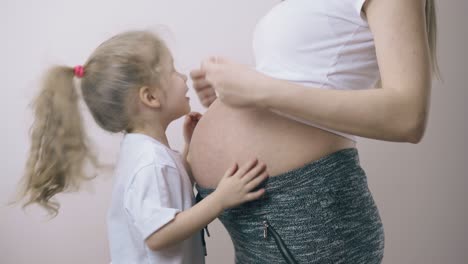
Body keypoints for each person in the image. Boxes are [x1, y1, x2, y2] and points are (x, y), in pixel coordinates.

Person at [188, 0, 438, 263]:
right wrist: (234, 89)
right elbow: (305, 80)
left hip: (304, 207)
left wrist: (258, 90)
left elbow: (408, 118)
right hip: (257, 214)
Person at [17, 30, 268, 264]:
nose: (183, 77)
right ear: (150, 97)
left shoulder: (145, 151)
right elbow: (158, 234)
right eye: (173, 70)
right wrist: (220, 200)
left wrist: (189, 150)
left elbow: (172, 192)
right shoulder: (150, 162)